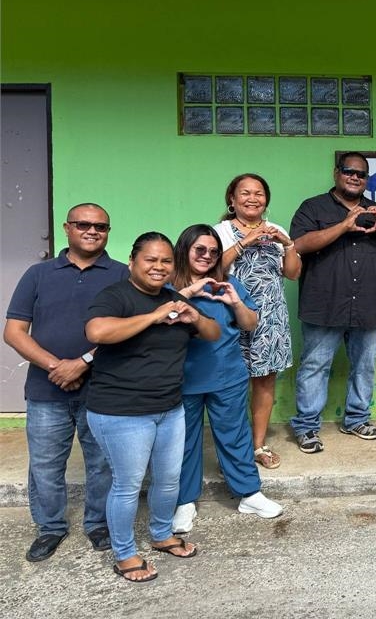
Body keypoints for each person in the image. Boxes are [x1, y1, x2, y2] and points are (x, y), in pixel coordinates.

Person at [85, 232, 220, 582]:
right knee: (128, 484)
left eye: (166, 261)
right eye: (150, 260)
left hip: (169, 409)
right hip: (120, 412)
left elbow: (213, 333)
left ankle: (161, 535)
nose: (159, 267)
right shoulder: (115, 296)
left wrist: (194, 316)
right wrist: (154, 316)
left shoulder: (175, 298)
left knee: (168, 479)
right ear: (132, 262)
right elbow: (97, 332)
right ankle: (125, 553)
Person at [4, 204, 128, 563]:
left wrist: (83, 363)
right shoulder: (38, 274)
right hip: (46, 390)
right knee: (44, 464)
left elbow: (129, 333)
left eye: (101, 226)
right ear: (66, 228)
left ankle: (98, 524)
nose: (92, 231)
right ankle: (50, 528)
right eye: (84, 224)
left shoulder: (122, 275)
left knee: (103, 462)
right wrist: (57, 366)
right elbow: (13, 332)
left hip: (103, 388)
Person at [289, 152, 376, 453]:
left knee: (364, 366)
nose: (354, 177)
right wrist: (343, 226)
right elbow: (299, 245)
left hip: (370, 304)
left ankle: (356, 419)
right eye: (349, 171)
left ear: (366, 179)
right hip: (324, 305)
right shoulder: (313, 207)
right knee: (314, 366)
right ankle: (307, 427)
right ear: (337, 173)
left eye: (361, 174)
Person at [169, 225, 283, 536]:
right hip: (182, 377)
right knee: (185, 442)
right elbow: (159, 318)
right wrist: (188, 293)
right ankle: (184, 502)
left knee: (235, 436)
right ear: (184, 250)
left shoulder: (228, 284)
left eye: (213, 251)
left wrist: (234, 301)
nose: (207, 256)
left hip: (226, 374)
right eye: (199, 250)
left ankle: (249, 494)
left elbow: (250, 323)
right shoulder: (168, 286)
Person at [214, 173, 301, 471]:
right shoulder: (221, 231)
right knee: (233, 384)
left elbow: (292, 273)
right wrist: (246, 242)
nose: (253, 198)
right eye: (245, 193)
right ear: (232, 199)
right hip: (233, 316)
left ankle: (257, 445)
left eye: (259, 193)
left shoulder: (276, 230)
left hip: (272, 319)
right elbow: (214, 269)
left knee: (264, 382)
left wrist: (288, 244)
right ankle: (234, 447)